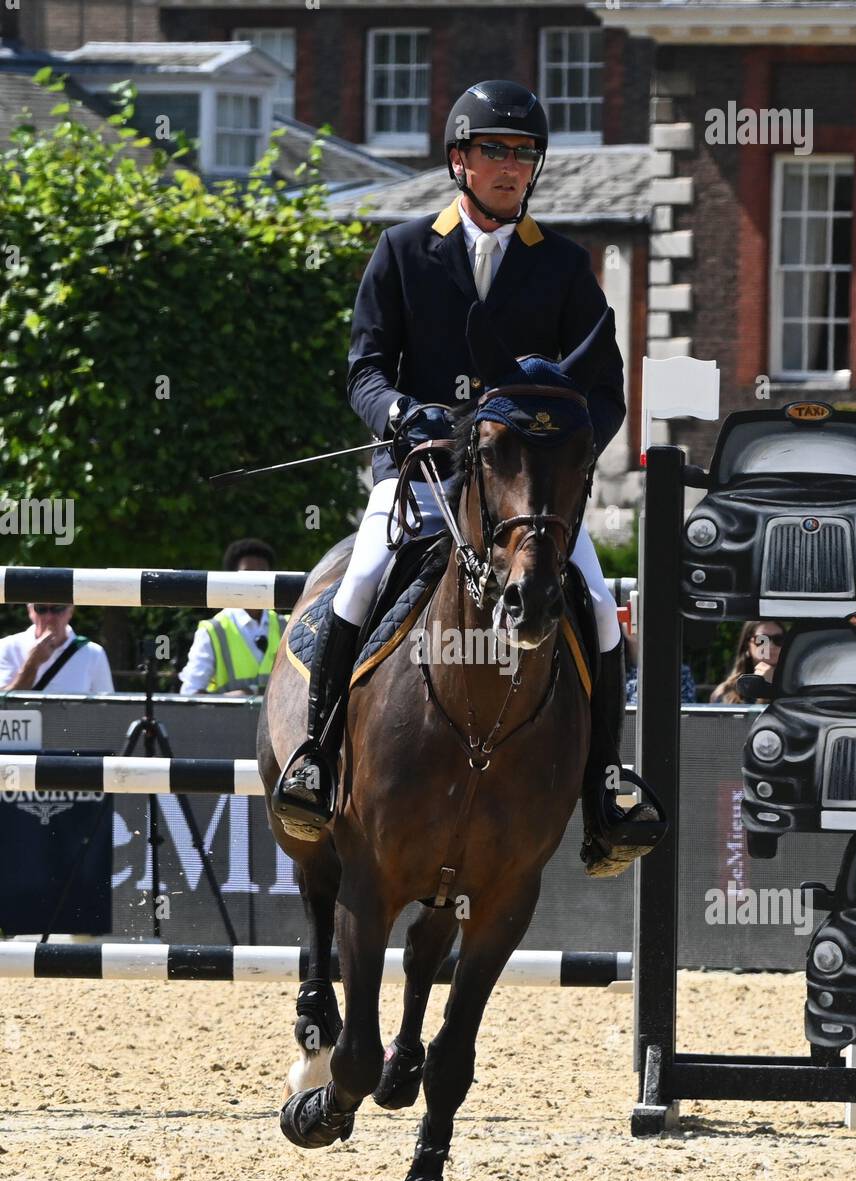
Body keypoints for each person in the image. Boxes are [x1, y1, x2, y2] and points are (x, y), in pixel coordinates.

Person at [275, 79, 657, 875]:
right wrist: (397, 416)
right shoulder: (404, 249)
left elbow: (605, 393)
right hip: (421, 474)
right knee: (363, 577)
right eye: (496, 151)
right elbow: (365, 369)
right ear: (459, 160)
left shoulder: (562, 266)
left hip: (522, 496)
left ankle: (605, 787)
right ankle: (314, 756)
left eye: (524, 155)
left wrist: (559, 453)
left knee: (598, 607)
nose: (512, 167)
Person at [178, 538, 284, 696]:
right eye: (248, 573)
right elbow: (190, 694)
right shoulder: (213, 631)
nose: (256, 580)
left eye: (263, 573)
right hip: (229, 721)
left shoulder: (289, 625)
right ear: (232, 579)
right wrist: (233, 698)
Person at [0, 603, 113, 693]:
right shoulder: (6, 647)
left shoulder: (93, 653)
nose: (49, 617)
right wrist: (32, 664)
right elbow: (3, 705)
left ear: (71, 610)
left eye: (57, 608)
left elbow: (106, 708)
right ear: (30, 611)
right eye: (41, 608)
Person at [710, 620, 786, 704]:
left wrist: (775, 685)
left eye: (779, 639)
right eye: (762, 640)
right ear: (747, 646)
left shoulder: (796, 686)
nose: (771, 646)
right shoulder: (726, 691)